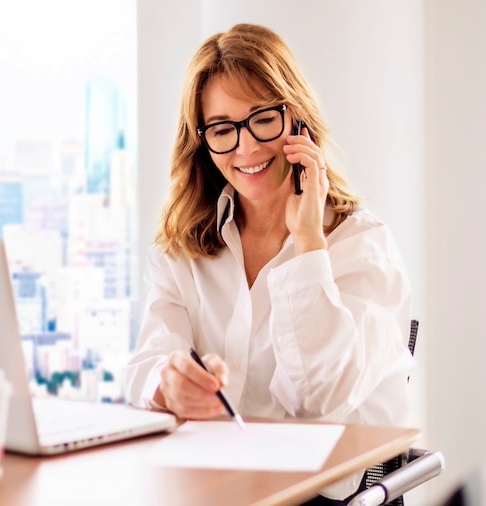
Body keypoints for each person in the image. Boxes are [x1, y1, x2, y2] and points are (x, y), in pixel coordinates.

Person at [122, 23, 415, 503]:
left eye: (262, 118)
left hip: (326, 498)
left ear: (295, 117)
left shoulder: (363, 246)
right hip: (213, 488)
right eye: (222, 129)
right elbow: (147, 364)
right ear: (203, 141)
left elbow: (322, 396)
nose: (246, 147)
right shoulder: (184, 247)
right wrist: (167, 384)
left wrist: (307, 242)